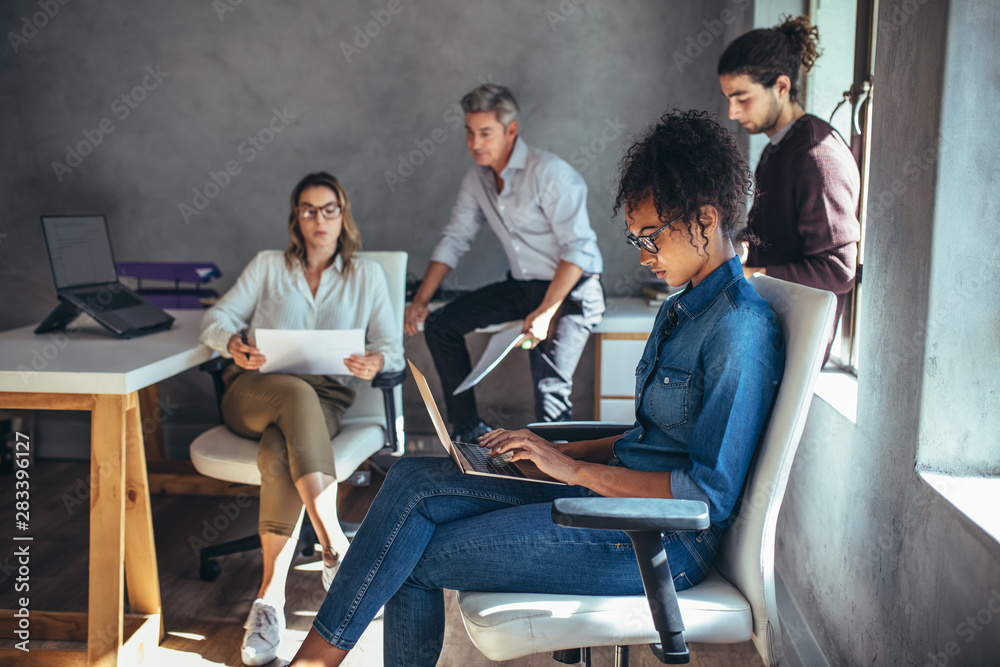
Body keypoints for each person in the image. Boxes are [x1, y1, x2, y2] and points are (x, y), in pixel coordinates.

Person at [288, 110, 786, 667]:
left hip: (656, 541)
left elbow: (704, 496)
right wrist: (552, 454)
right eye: (634, 237)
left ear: (706, 218)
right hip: (609, 498)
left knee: (408, 553)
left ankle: (310, 663)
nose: (641, 253)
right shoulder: (684, 309)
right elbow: (651, 437)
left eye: (650, 236)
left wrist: (571, 470)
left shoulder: (740, 330)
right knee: (410, 478)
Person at [198, 172, 403, 666]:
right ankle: (335, 546)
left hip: (325, 401)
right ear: (296, 217)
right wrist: (232, 345)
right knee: (289, 393)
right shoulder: (269, 266)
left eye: (328, 209)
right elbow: (215, 319)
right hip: (253, 391)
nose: (318, 220)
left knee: (278, 448)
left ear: (343, 214)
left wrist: (375, 362)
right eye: (308, 210)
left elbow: (391, 349)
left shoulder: (367, 275)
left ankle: (268, 601)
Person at [403, 84, 605, 443]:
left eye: (485, 133)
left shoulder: (550, 173)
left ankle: (563, 482)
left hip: (571, 287)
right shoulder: (476, 178)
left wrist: (546, 312)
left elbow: (578, 249)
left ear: (511, 130)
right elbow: (455, 238)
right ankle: (468, 432)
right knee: (440, 326)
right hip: (522, 286)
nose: (475, 143)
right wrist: (420, 300)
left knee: (549, 387)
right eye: (469, 132)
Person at [718, 15, 861, 361]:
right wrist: (732, 249)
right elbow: (765, 232)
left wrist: (753, 275)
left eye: (742, 98)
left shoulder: (817, 154)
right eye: (728, 98)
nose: (733, 112)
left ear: (781, 87)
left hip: (797, 345)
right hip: (771, 329)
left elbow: (838, 271)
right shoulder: (776, 149)